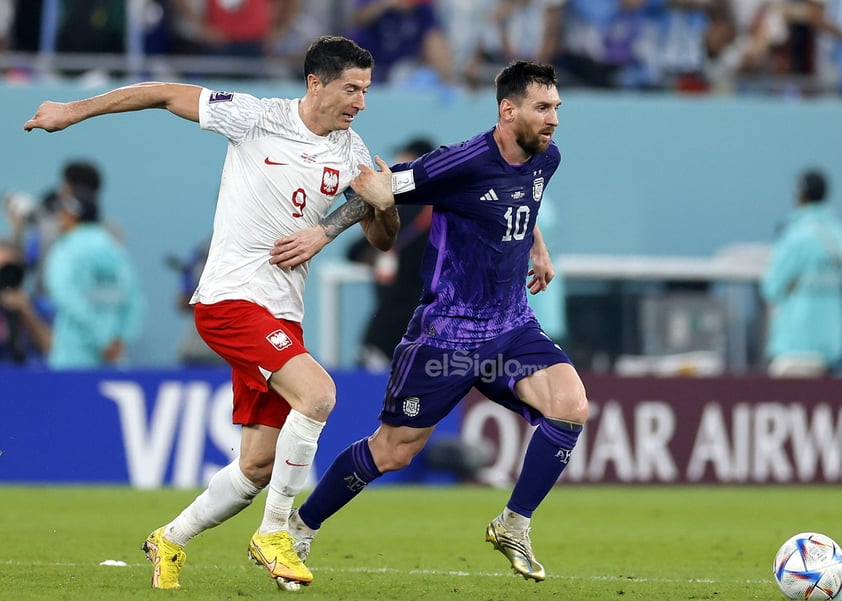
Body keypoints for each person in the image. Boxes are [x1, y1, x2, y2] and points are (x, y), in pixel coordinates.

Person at [24, 35, 398, 590]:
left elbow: (382, 239)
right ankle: (275, 535)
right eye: (351, 89)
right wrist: (70, 110)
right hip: (230, 299)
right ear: (315, 83)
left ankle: (169, 540)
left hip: (280, 313)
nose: (360, 102)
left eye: (366, 91)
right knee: (318, 394)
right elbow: (160, 93)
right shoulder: (255, 118)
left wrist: (384, 205)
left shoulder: (353, 153)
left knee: (257, 466)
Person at [271, 60, 589, 582]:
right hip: (447, 336)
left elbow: (522, 205)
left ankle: (513, 522)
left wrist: (538, 246)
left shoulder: (545, 157)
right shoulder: (459, 163)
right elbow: (377, 190)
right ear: (508, 111)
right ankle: (299, 529)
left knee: (571, 406)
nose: (554, 118)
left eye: (556, 107)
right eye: (543, 108)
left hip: (511, 325)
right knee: (393, 451)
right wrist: (321, 236)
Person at [347, 136, 435, 371]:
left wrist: (375, 253)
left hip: (390, 319)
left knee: (370, 387)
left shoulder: (402, 209)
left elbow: (354, 251)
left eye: (404, 159)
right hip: (428, 320)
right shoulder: (443, 209)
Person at [43, 184, 144, 368]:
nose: (59, 218)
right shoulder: (114, 248)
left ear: (73, 216)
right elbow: (134, 299)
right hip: (113, 355)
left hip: (73, 356)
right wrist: (118, 339)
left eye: (63, 213)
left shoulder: (65, 248)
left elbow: (64, 295)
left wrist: (102, 338)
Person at [761, 169, 842, 377]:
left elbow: (771, 288)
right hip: (834, 347)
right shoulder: (838, 234)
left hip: (795, 348)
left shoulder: (795, 235)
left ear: (800, 196)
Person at [0, 238, 52, 364]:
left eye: (9, 269)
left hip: (31, 377)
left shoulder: (39, 305)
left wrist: (26, 311)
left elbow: (50, 347)